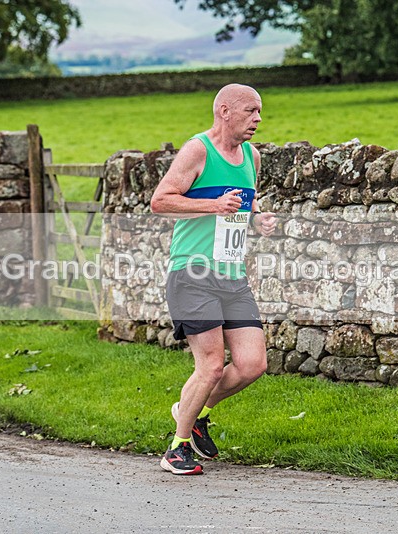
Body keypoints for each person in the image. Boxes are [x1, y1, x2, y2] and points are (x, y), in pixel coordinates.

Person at [150, 83, 277, 475]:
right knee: (211, 366)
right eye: (250, 111)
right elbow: (160, 200)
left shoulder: (252, 155)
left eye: (259, 112)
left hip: (231, 274)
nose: (258, 118)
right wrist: (213, 205)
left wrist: (258, 219)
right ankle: (177, 447)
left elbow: (245, 201)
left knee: (253, 364)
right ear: (224, 111)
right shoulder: (197, 150)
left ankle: (195, 412)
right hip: (192, 272)